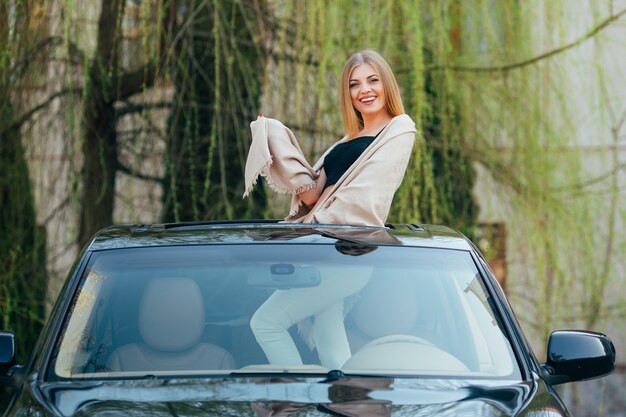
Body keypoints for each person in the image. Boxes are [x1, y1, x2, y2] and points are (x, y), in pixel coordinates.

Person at [245, 50, 417, 369]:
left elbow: (365, 199)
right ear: (347, 93)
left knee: (266, 323)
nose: (364, 90)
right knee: (330, 337)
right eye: (355, 84)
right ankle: (344, 401)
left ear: (387, 85)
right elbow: (313, 196)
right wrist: (274, 137)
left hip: (348, 250)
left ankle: (294, 398)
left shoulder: (399, 130)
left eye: (373, 80)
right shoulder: (347, 140)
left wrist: (315, 225)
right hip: (326, 249)